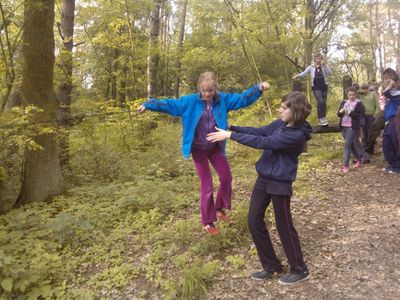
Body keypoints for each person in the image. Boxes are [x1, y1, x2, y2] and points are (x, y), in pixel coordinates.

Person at [137, 71, 270, 235]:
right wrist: (148, 104)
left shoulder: (223, 100)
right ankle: (207, 221)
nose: (207, 95)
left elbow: (242, 99)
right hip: (198, 149)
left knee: (226, 177)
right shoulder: (189, 101)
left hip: (215, 147)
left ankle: (220, 208)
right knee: (206, 184)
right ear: (199, 88)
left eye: (210, 91)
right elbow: (169, 105)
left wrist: (258, 89)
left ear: (215, 89)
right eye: (204, 91)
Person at [207, 91, 312, 285]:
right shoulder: (281, 124)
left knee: (284, 225)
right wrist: (232, 127)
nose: (280, 109)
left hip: (280, 182)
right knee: (254, 220)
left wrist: (230, 135)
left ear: (295, 111)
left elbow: (264, 142)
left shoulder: (297, 136)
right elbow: (260, 132)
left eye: (284, 107)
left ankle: (299, 269)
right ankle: (272, 266)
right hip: (263, 178)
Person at [292, 53, 332, 126]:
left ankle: (323, 118)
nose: (318, 60)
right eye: (317, 58)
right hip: (316, 88)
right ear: (314, 59)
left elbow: (330, 73)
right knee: (320, 101)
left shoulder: (324, 66)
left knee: (324, 103)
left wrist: (325, 65)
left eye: (320, 58)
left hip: (324, 86)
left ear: (321, 59)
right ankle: (320, 119)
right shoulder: (311, 67)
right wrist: (297, 76)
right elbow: (304, 73)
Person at [337, 86, 366, 173]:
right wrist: (341, 112)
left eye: (353, 95)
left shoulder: (359, 104)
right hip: (343, 126)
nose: (351, 96)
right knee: (351, 145)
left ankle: (345, 165)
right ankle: (359, 159)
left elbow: (359, 117)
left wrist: (350, 112)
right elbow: (338, 114)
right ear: (347, 95)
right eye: (350, 95)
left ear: (356, 94)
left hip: (352, 127)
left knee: (347, 146)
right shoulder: (344, 102)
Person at [381, 68, 400, 174]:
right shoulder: (391, 94)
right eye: (385, 77)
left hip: (395, 121)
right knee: (386, 144)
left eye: (388, 77)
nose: (386, 79)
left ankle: (397, 166)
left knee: (394, 143)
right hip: (388, 121)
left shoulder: (396, 93)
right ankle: (392, 164)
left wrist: (390, 83)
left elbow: (386, 92)